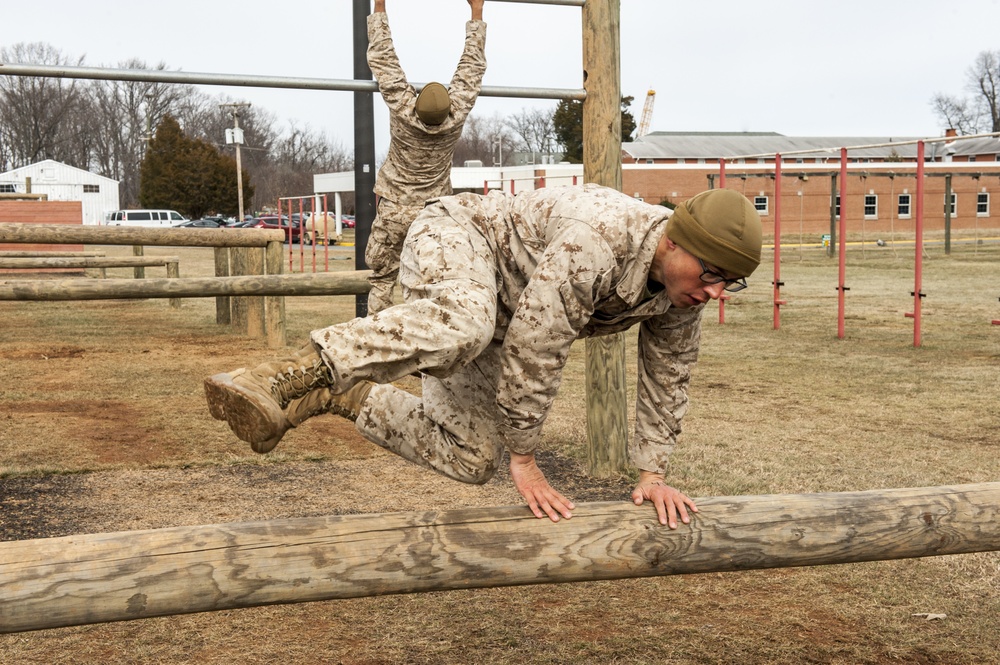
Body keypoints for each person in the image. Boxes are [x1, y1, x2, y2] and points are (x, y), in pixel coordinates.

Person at [205, 185, 762, 528]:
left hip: (501, 314)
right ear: (671, 242)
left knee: (471, 457)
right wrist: (526, 456)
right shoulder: (598, 239)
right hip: (460, 237)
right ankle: (285, 374)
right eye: (711, 274)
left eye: (729, 283)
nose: (715, 292)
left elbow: (669, 375)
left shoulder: (683, 295)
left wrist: (654, 472)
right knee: (466, 322)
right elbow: (538, 344)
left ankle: (339, 393)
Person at [365, 0, 487, 314]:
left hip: (394, 209)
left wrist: (379, 5)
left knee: (381, 280)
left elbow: (384, 57)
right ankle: (423, 337)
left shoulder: (404, 110)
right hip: (433, 213)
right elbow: (471, 69)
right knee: (427, 281)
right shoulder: (455, 115)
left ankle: (378, 338)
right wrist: (476, 12)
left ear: (415, 102)